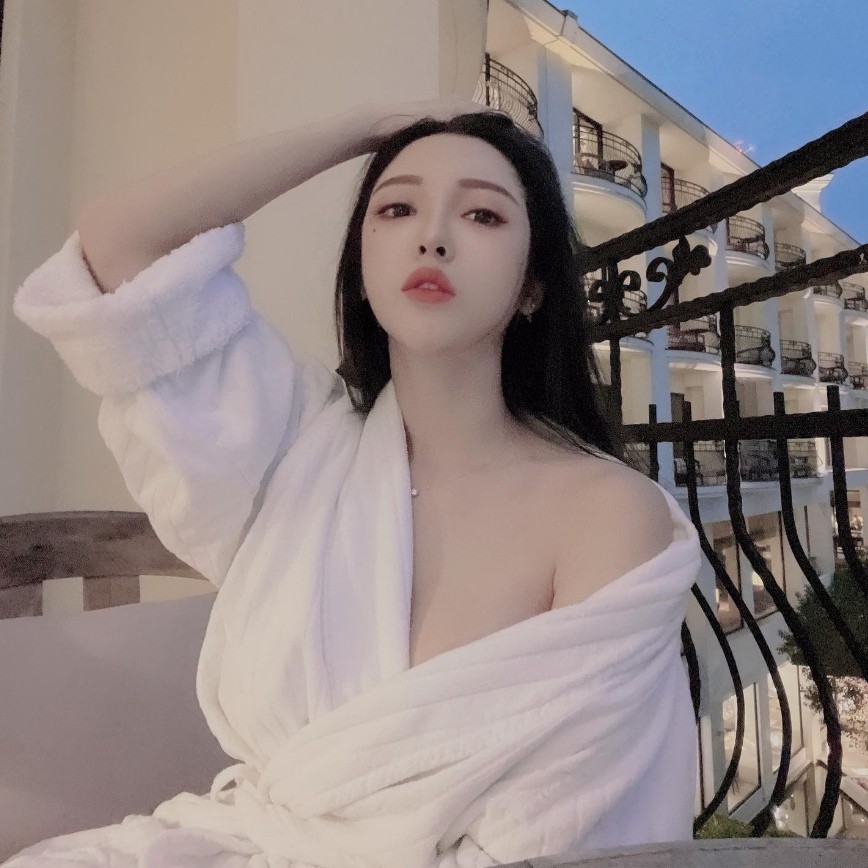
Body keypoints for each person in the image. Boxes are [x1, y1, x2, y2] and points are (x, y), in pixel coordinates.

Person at [8, 97, 702, 866]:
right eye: (397, 209)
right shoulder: (295, 445)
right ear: (364, 274)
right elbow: (118, 249)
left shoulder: (606, 513)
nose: (432, 237)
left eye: (482, 216)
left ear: (532, 286)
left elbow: (570, 822)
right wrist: (364, 127)